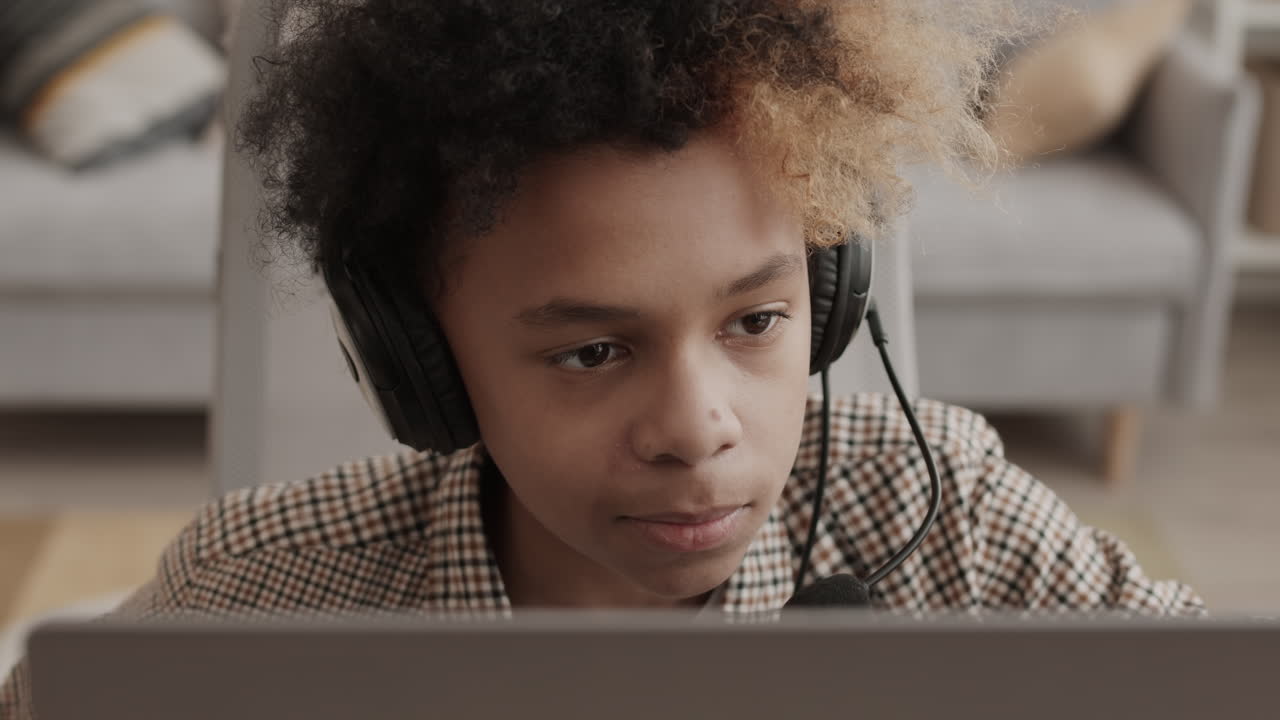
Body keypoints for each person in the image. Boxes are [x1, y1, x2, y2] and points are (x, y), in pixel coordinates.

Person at [1, 0, 1203, 715]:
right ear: (417, 355)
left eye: (753, 322)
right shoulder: (250, 594)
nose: (694, 427)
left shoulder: (957, 528)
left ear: (829, 294)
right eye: (590, 351)